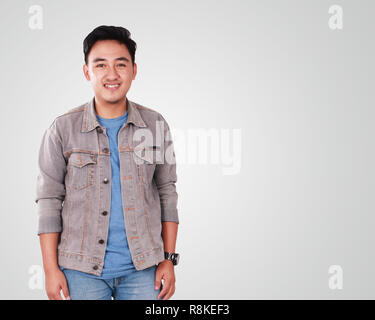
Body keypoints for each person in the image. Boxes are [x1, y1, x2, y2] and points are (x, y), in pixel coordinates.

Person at [35, 25, 180, 300]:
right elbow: (49, 199)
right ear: (87, 71)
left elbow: (167, 192)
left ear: (134, 71)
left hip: (143, 270)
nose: (112, 75)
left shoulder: (156, 124)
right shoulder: (61, 129)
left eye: (121, 65)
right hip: (79, 271)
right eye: (100, 65)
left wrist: (169, 259)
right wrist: (50, 270)